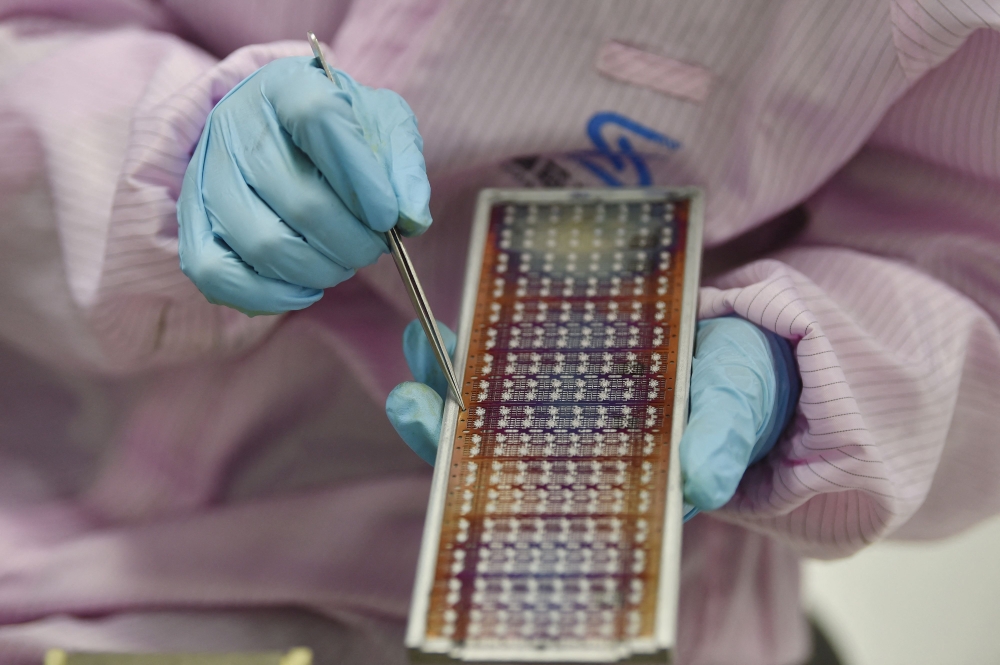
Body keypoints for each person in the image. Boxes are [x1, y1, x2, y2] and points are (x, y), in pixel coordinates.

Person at [1, 2, 999, 664]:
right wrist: (158, 156)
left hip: (618, 613)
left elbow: (973, 263)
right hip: (56, 525)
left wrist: (801, 372)